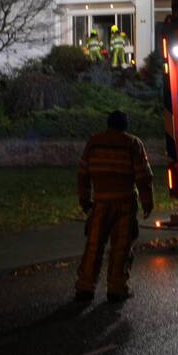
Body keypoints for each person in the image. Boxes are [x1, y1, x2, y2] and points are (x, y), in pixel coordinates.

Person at [74, 110, 154, 303]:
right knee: (121, 247)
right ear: (125, 126)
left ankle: (85, 288)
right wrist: (147, 202)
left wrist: (85, 200)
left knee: (94, 246)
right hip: (125, 204)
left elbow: (83, 173)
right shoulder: (133, 143)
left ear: (108, 124)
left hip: (100, 203)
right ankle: (117, 289)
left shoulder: (94, 142)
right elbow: (143, 176)